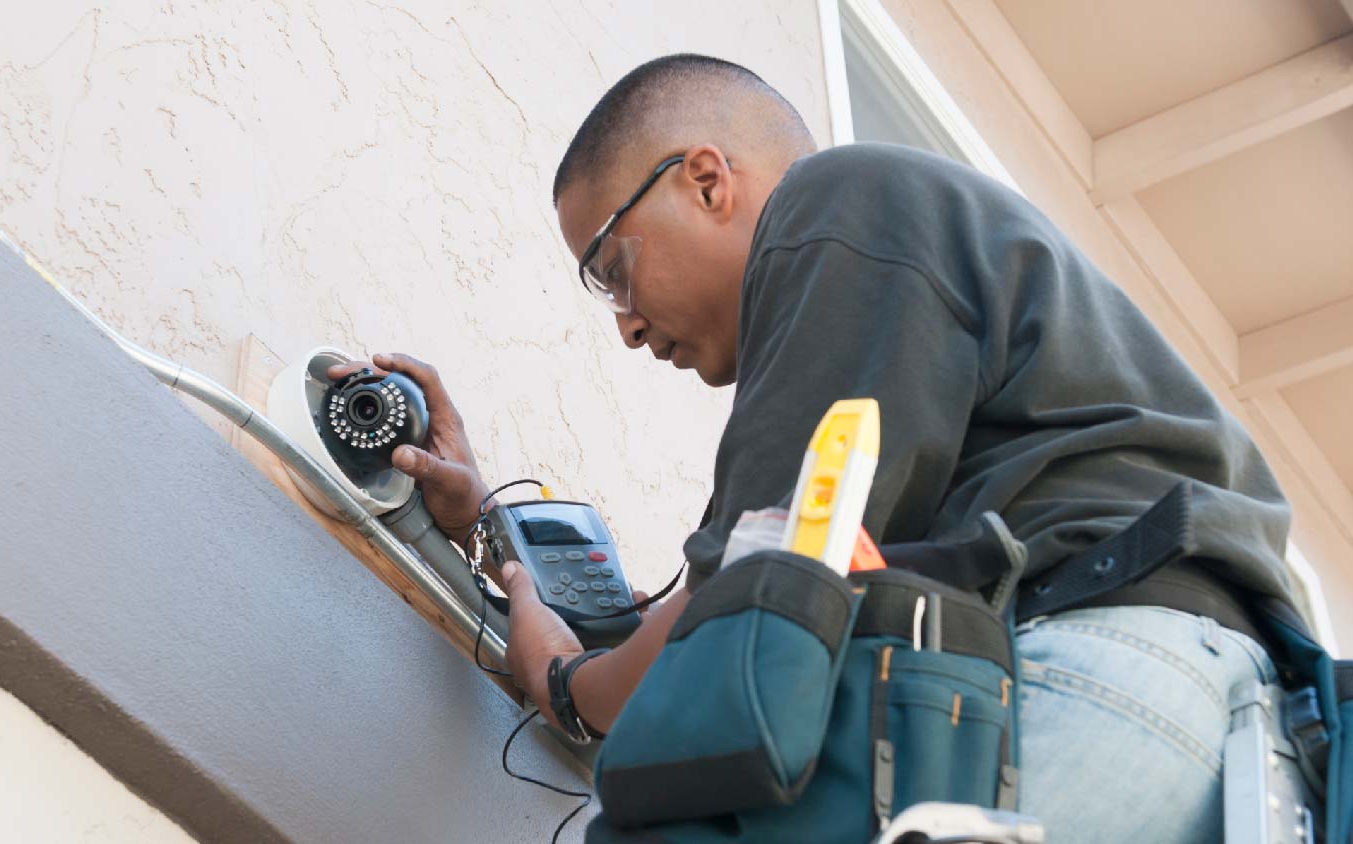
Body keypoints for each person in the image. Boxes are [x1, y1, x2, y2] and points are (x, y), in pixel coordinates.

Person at [345, 55, 1301, 842]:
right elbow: (716, 601)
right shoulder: (904, 318)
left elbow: (746, 594)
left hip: (1099, 664)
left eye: (612, 269)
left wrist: (566, 686)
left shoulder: (838, 202)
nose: (627, 327)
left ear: (707, 181)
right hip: (1216, 745)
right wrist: (492, 543)